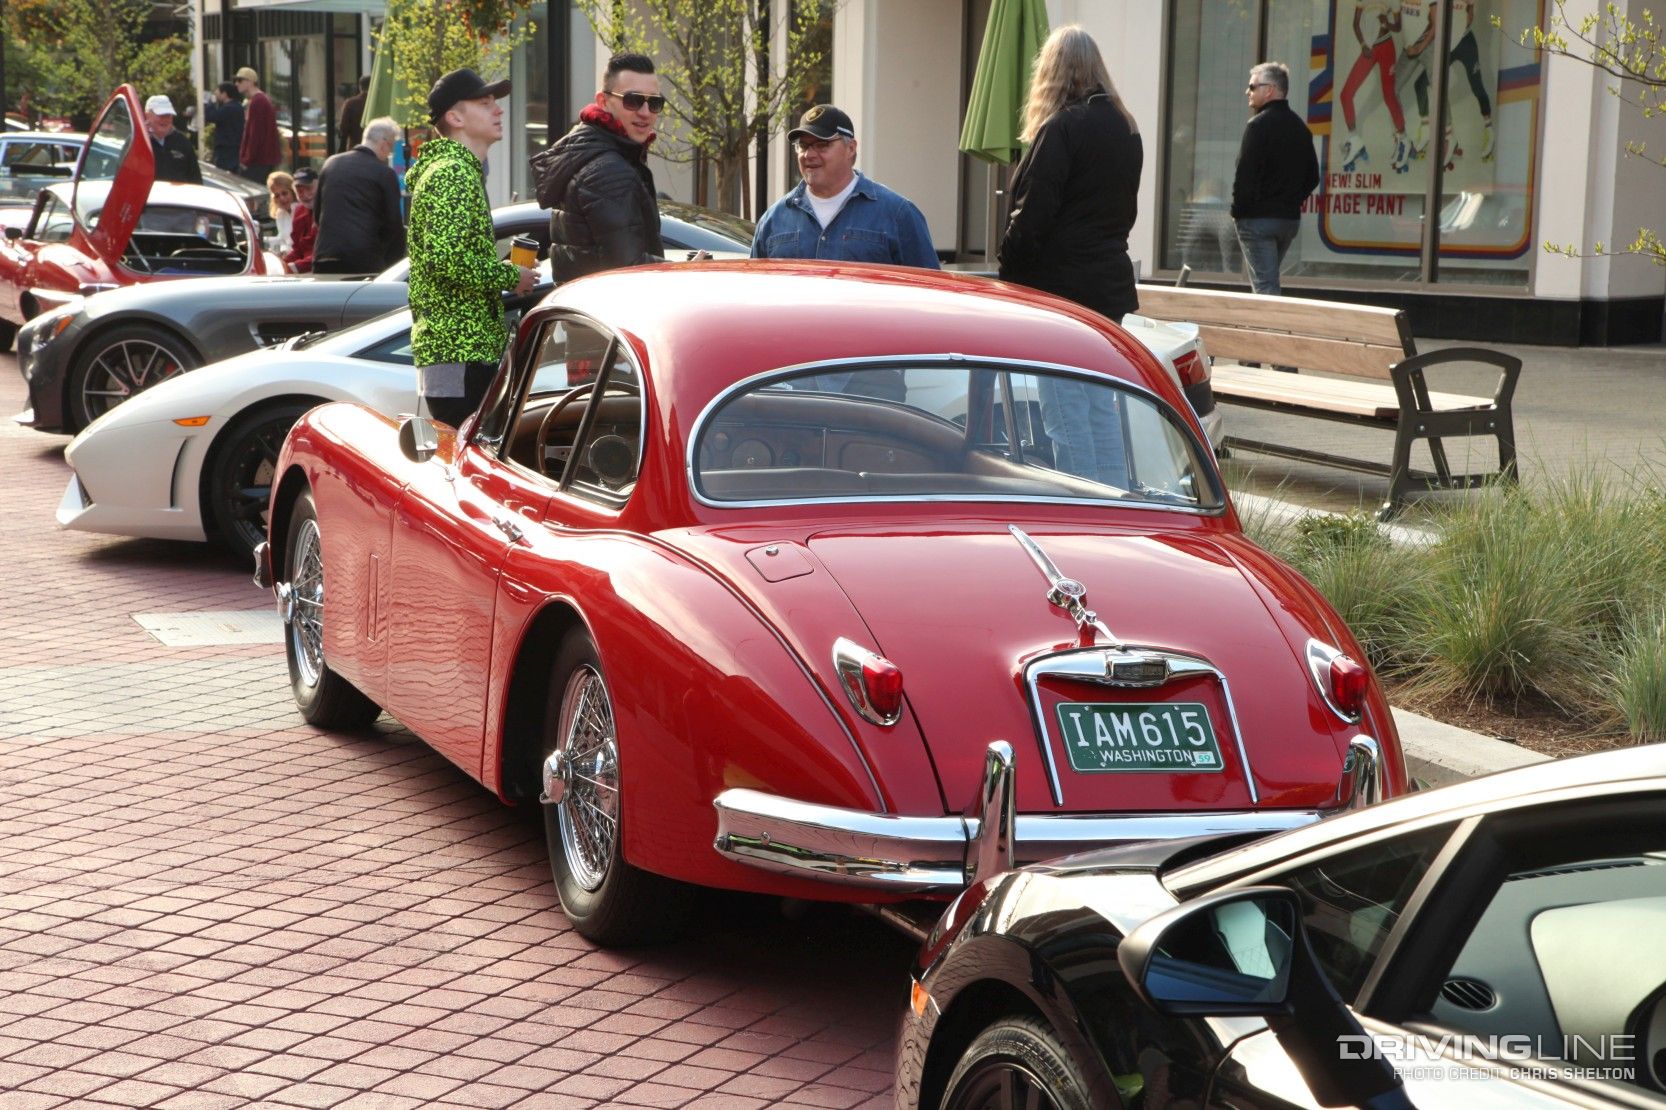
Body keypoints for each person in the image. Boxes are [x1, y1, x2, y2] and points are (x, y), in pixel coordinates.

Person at [997, 25, 1143, 489]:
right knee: (1101, 406)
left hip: (1060, 290)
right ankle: (1119, 507)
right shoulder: (1126, 127)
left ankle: (1083, 513)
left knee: (1064, 413)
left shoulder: (1062, 127)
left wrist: (1008, 270)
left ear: (1051, 73)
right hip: (1110, 286)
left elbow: (1034, 213)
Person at [408, 68, 536, 426]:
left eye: (495, 102)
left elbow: (448, 256)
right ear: (455, 117)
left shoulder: (455, 170)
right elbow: (445, 259)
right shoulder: (452, 173)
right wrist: (511, 274)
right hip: (460, 350)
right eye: (485, 103)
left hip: (457, 350)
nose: (498, 110)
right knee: (462, 459)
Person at [532, 53, 680, 282]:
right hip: (607, 313)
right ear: (603, 101)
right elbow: (630, 271)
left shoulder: (589, 153)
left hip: (587, 309)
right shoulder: (609, 171)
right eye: (633, 100)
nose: (644, 112)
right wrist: (689, 271)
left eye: (654, 102)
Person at [750, 104, 939, 269]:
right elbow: (756, 296)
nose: (809, 154)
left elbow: (930, 293)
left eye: (822, 144)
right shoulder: (773, 220)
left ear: (851, 148)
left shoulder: (898, 215)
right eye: (803, 145)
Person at [1232, 62, 1320, 296]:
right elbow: (1313, 176)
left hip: (1257, 221)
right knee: (1268, 280)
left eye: (1252, 86)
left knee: (1265, 287)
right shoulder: (1300, 128)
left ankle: (1268, 332)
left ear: (1269, 90)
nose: (1247, 91)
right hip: (1287, 220)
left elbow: (1244, 174)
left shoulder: (1257, 126)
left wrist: (1238, 212)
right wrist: (1290, 201)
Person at [312, 116, 407, 274]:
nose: (389, 153)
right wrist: (391, 265)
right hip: (364, 258)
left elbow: (317, 215)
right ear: (384, 144)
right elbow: (393, 225)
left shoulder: (331, 163)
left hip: (325, 255)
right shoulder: (384, 173)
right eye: (390, 147)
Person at [1338, 0, 1409, 173]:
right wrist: (1363, 44)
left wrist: (1386, 23)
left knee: (1389, 96)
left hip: (1387, 47)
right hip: (1370, 48)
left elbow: (1398, 27)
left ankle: (1404, 140)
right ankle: (1354, 139)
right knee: (1346, 94)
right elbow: (1355, 24)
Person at [235, 66, 281, 184]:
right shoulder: (259, 100)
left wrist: (247, 159)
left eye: (240, 80)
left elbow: (255, 134)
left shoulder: (258, 101)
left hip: (258, 161)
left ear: (250, 81)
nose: (236, 84)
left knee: (254, 197)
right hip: (261, 159)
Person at [144, 96, 202, 185]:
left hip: (177, 197)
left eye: (168, 115)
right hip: (149, 198)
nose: (165, 119)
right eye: (160, 115)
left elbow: (196, 180)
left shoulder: (182, 142)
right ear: (147, 115)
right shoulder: (138, 141)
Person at [202, 82, 244, 173]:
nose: (216, 95)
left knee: (223, 173)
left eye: (217, 92)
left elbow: (211, 116)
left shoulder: (229, 108)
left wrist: (211, 103)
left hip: (226, 148)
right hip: (233, 146)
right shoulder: (237, 106)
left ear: (224, 94)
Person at [284, 167, 318, 273]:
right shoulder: (299, 210)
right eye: (299, 190)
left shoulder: (330, 209)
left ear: (319, 185)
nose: (305, 195)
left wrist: (294, 267)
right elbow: (298, 250)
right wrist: (282, 263)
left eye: (309, 188)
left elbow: (327, 253)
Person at [266, 170, 296, 254]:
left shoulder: (302, 210)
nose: (281, 198)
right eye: (277, 195)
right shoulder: (280, 213)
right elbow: (282, 239)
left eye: (284, 193)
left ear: (293, 191)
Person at [338, 75, 370, 152]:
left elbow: (344, 128)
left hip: (355, 148)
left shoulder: (350, 103)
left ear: (360, 87)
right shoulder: (377, 103)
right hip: (374, 149)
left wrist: (341, 149)